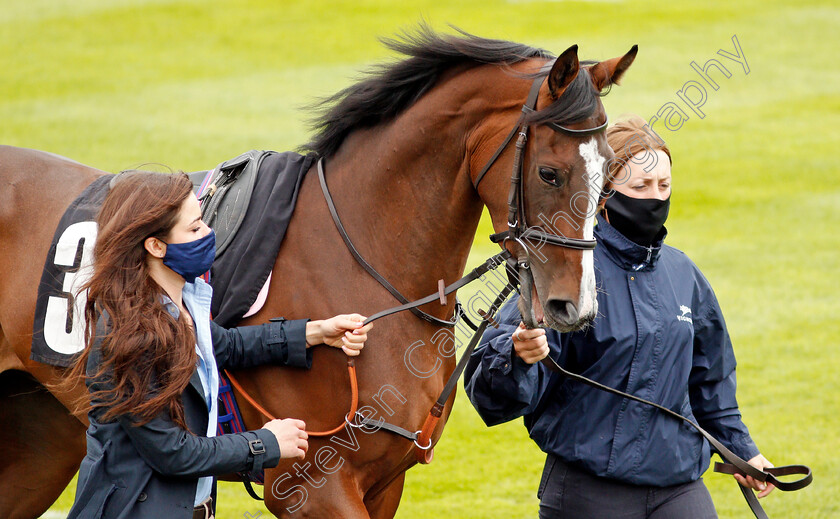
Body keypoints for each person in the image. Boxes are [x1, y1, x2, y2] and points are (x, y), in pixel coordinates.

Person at [464, 115, 773, 519]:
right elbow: (492, 396)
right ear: (604, 193)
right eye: (641, 187)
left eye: (664, 186)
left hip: (678, 486)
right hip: (588, 492)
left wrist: (745, 453)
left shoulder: (685, 276)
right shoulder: (567, 274)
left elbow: (709, 383)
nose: (655, 198)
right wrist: (517, 354)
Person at [55, 171, 373, 519]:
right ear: (155, 246)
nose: (208, 235)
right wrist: (265, 443)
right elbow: (174, 453)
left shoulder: (182, 302)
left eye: (203, 222)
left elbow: (227, 345)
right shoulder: (129, 339)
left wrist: (315, 332)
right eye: (194, 230)